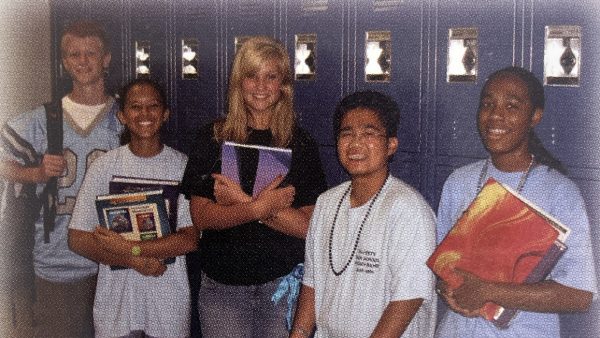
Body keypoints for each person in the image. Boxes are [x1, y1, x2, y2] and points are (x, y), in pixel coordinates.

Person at [181, 35, 327, 337]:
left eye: (270, 76)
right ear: (239, 82)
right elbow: (203, 217)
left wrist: (241, 201)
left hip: (281, 285)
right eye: (251, 76)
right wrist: (263, 207)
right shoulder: (213, 138)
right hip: (223, 287)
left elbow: (307, 227)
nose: (260, 86)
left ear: (283, 85)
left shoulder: (301, 143)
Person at [434, 66, 598, 338]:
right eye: (487, 104)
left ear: (535, 116)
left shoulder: (559, 192)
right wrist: (446, 289)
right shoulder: (459, 182)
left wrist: (487, 291)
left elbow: (579, 296)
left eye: (512, 106)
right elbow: (441, 268)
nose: (495, 115)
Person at [0, 20, 120, 337]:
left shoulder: (124, 117)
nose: (82, 61)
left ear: (106, 58)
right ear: (64, 62)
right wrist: (34, 173)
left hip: (114, 262)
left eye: (91, 53)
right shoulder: (41, 120)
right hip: (56, 262)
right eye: (73, 54)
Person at [291, 91, 437, 338]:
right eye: (347, 133)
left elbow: (405, 302)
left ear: (391, 145)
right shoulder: (326, 204)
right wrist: (299, 334)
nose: (356, 143)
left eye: (369, 133)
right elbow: (312, 283)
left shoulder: (409, 210)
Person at [68, 78, 199, 338]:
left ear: (165, 114)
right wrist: (133, 260)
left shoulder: (182, 166)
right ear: (122, 116)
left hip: (167, 299)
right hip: (116, 301)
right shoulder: (104, 167)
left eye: (153, 106)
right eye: (136, 107)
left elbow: (189, 239)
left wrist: (133, 248)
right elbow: (77, 238)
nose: (145, 114)